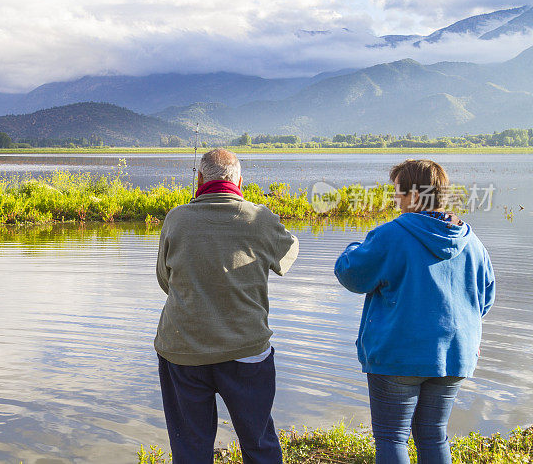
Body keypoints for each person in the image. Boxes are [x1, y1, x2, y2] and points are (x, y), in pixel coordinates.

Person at [334, 159, 495, 464]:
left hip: (398, 356)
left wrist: (351, 248)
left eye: (397, 190)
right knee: (433, 434)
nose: (394, 198)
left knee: (392, 436)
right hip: (454, 356)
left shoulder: (393, 234)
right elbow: (484, 300)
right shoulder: (472, 242)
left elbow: (352, 274)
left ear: (414, 195)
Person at [155, 148, 299, 464]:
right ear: (239, 181)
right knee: (258, 441)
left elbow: (165, 280)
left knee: (190, 446)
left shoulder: (176, 218)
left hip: (183, 348)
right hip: (247, 349)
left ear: (200, 179)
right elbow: (288, 254)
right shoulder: (260, 218)